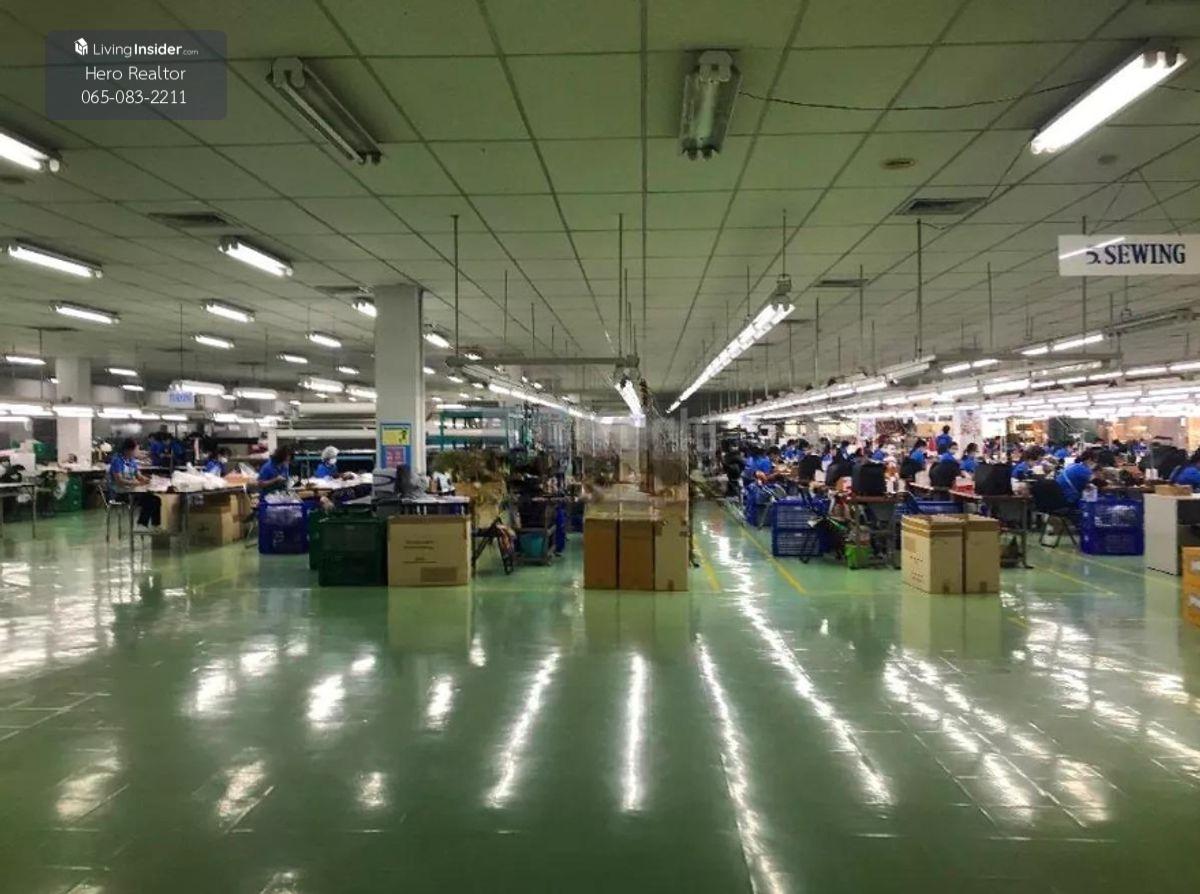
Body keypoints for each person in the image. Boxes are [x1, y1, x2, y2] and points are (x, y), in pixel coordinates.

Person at [109, 437, 159, 527]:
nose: (138, 451)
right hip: (120, 493)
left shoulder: (132, 461)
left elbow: (139, 476)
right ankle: (143, 524)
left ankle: (149, 524)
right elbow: (119, 481)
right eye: (136, 449)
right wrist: (137, 483)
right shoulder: (117, 461)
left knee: (155, 499)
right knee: (151, 500)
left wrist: (149, 480)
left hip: (132, 491)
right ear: (128, 450)